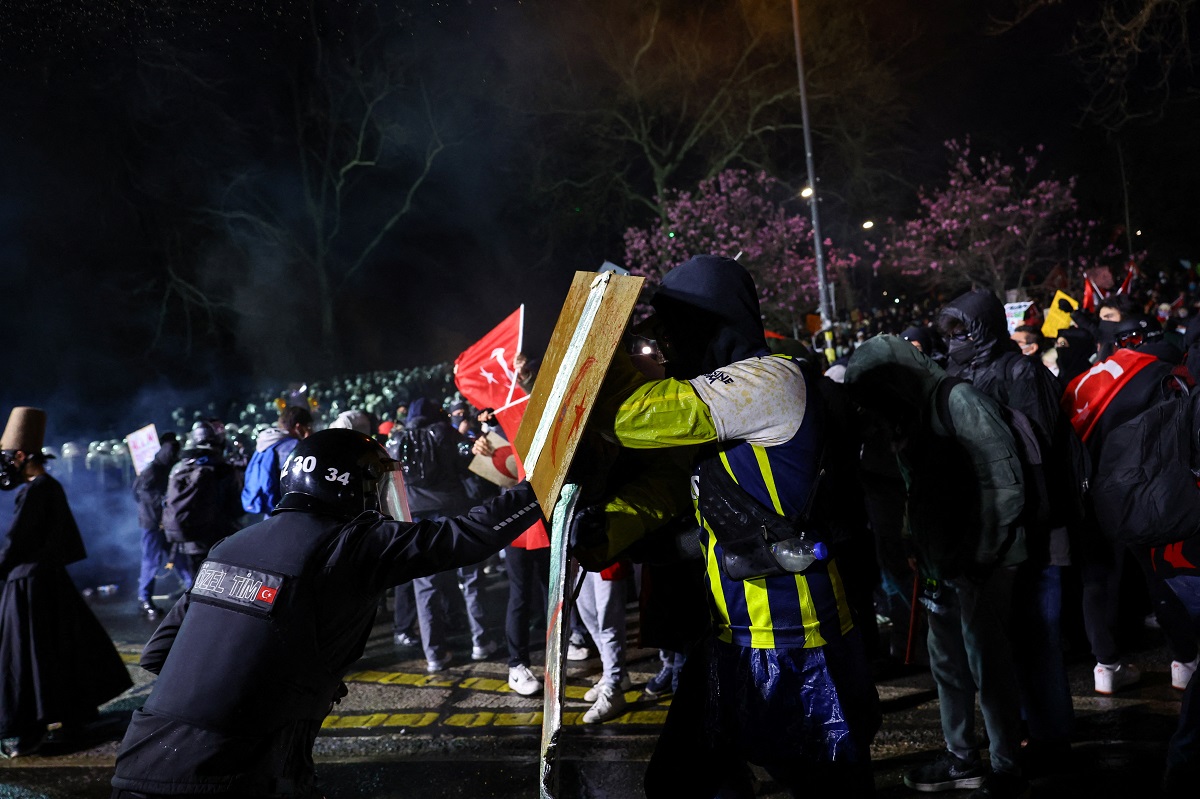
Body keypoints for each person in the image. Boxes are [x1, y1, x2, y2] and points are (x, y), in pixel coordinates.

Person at [575, 255, 880, 795]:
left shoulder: (769, 380)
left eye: (671, 329)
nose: (663, 345)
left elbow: (631, 414)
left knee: (827, 786)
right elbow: (667, 489)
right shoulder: (716, 396)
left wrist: (601, 336)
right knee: (682, 782)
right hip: (730, 636)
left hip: (796, 637)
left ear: (712, 323)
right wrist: (605, 533)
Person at [110, 428, 541, 798]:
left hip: (141, 760)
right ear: (351, 486)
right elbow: (467, 536)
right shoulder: (350, 542)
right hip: (234, 772)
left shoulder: (231, 545)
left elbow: (160, 653)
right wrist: (541, 485)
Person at [845, 335, 1028, 798]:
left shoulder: (958, 400)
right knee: (948, 664)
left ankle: (1007, 766)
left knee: (989, 667)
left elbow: (1004, 485)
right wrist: (917, 543)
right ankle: (962, 757)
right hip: (943, 561)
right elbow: (919, 489)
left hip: (984, 562)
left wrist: (980, 559)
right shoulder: (910, 414)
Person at [937, 289, 1074, 771]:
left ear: (985, 327)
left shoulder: (1023, 372)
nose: (955, 340)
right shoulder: (958, 374)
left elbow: (1037, 454)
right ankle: (1017, 733)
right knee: (1000, 642)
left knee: (1039, 637)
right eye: (949, 332)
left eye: (962, 330)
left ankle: (1052, 739)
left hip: (1036, 530)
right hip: (989, 531)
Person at [0, 407, 133, 758]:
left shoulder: (38, 489)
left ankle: (30, 730)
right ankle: (74, 717)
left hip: (29, 585)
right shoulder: (47, 486)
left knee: (27, 659)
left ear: (20, 456)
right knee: (57, 651)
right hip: (46, 582)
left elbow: (17, 543)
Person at [395, 397, 496, 671]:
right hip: (453, 511)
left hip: (417, 517)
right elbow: (468, 463)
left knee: (426, 585)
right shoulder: (443, 432)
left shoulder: (398, 440)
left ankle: (435, 655)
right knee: (471, 576)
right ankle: (481, 641)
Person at [162, 420, 243, 590]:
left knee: (197, 588)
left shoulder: (179, 466)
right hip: (219, 538)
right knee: (222, 590)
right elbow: (235, 505)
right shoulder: (222, 468)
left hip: (189, 539)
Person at [131, 432, 181, 620]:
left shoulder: (162, 468)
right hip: (153, 523)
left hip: (163, 521)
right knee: (152, 560)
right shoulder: (153, 470)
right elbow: (139, 492)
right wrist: (161, 503)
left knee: (178, 557)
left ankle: (192, 589)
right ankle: (145, 599)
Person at [241, 406, 313, 519]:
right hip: (288, 512)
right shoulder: (292, 445)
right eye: (308, 426)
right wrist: (308, 443)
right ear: (299, 427)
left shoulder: (267, 442)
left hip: (269, 510)